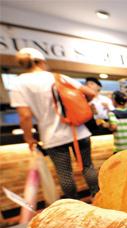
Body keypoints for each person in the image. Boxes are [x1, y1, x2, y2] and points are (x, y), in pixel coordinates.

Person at [10, 47, 99, 199]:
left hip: (52, 137)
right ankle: (99, 197)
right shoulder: (58, 77)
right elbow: (90, 93)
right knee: (87, 166)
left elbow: (25, 115)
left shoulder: (19, 83)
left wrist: (29, 138)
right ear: (42, 61)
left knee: (65, 173)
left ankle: (74, 207)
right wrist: (82, 105)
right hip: (79, 131)